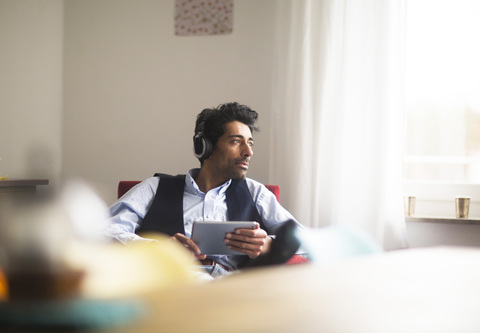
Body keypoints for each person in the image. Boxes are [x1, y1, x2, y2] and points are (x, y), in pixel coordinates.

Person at [104, 102, 304, 277]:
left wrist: (270, 244)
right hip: (169, 286)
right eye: (236, 141)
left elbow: (304, 240)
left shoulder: (255, 193)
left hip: (231, 289)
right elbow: (103, 231)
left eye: (250, 143)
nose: (248, 152)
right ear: (205, 147)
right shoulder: (154, 188)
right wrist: (158, 248)